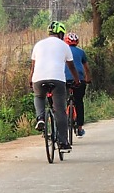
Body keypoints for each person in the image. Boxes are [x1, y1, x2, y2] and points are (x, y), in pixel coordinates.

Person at [29, 21, 80, 150]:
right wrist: (77, 80)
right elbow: (71, 66)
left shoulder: (38, 45)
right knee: (60, 111)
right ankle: (63, 143)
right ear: (61, 34)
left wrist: (31, 80)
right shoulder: (64, 45)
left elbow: (33, 67)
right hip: (57, 80)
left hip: (38, 78)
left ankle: (40, 118)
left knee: (39, 96)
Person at [64, 32, 92, 137]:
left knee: (61, 101)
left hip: (64, 80)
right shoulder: (81, 52)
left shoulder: (63, 51)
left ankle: (60, 124)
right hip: (79, 79)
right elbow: (87, 68)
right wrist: (88, 79)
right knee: (79, 102)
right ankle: (80, 128)